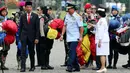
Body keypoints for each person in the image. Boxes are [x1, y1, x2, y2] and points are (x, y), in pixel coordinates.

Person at [60, 3, 83, 72]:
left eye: (69, 9)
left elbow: (81, 27)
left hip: (75, 37)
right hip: (68, 37)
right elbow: (64, 25)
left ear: (73, 9)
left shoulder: (78, 16)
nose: (68, 10)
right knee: (73, 52)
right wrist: (62, 35)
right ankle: (77, 67)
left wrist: (81, 37)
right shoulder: (67, 15)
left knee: (71, 52)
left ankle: (69, 66)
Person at [19, 1, 39, 72]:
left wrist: (37, 38)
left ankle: (32, 66)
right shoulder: (22, 16)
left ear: (31, 8)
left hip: (32, 37)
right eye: (27, 7)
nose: (29, 8)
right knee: (23, 52)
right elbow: (20, 27)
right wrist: (19, 38)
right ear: (25, 8)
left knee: (31, 52)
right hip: (24, 37)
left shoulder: (35, 16)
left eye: (30, 7)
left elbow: (37, 28)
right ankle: (23, 67)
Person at [95, 5, 110, 73]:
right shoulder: (102, 20)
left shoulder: (101, 21)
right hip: (104, 40)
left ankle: (103, 67)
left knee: (102, 54)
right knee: (103, 54)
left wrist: (99, 41)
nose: (96, 14)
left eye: (97, 13)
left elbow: (100, 32)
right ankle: (103, 67)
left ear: (100, 14)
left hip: (102, 40)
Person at [39, 6, 54, 70]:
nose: (49, 11)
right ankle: (43, 64)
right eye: (48, 10)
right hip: (44, 36)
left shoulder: (50, 17)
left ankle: (47, 64)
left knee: (48, 50)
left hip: (50, 36)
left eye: (50, 10)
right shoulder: (42, 17)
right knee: (43, 51)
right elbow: (41, 27)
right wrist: (42, 35)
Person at [0, 6, 10, 70]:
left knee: (5, 50)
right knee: (1, 50)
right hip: (0, 37)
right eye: (3, 12)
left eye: (5, 12)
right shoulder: (0, 19)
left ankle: (3, 64)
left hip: (7, 37)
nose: (4, 13)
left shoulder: (8, 19)